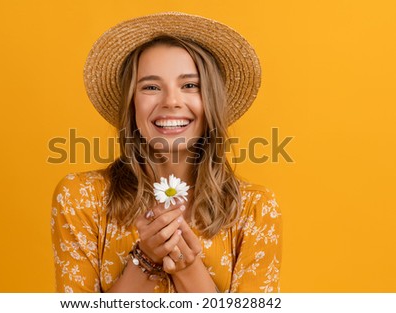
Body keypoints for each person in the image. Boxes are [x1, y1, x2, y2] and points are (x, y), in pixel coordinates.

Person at [51, 12, 282, 293]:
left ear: (210, 102)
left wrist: (187, 267)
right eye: (151, 87)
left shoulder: (255, 209)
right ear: (131, 104)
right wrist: (146, 260)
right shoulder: (81, 197)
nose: (171, 101)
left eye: (190, 85)